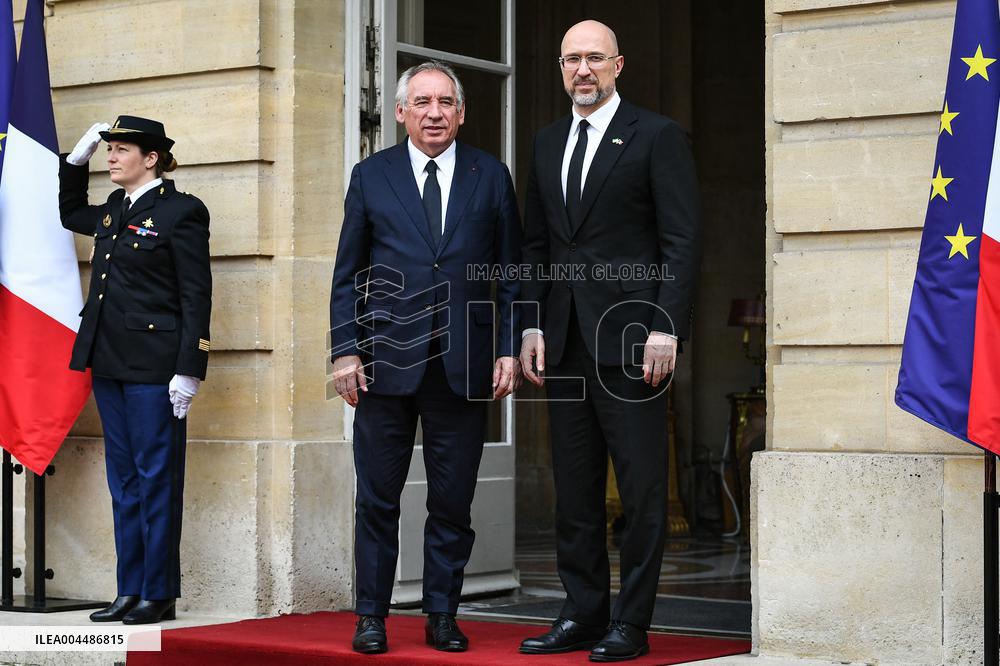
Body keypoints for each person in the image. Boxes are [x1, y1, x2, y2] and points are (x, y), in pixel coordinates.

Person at [518, 20, 702, 662]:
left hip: (632, 339)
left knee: (644, 489)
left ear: (618, 65)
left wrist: (665, 326)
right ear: (560, 69)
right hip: (564, 342)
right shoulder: (544, 143)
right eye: (571, 59)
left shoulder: (656, 136)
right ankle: (583, 613)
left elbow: (681, 242)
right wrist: (532, 324)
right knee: (574, 490)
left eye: (594, 58)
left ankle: (632, 622)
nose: (582, 70)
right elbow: (537, 246)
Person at [329, 61, 521, 654]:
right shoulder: (370, 175)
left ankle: (442, 613)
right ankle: (372, 617)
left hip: (464, 363)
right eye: (422, 102)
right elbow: (347, 273)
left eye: (445, 103)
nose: (434, 112)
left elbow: (511, 273)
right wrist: (345, 349)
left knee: (451, 500)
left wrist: (510, 346)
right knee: (377, 499)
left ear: (461, 113)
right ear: (400, 112)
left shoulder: (491, 175)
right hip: (386, 361)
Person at [59, 116, 212, 625]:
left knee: (156, 478)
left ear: (151, 158)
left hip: (154, 368)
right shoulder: (111, 213)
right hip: (108, 361)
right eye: (110, 149)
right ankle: (130, 589)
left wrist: (190, 368)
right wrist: (75, 159)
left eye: (120, 149)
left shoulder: (181, 212)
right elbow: (68, 212)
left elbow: (196, 293)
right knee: (123, 481)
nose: (112, 157)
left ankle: (159, 591)